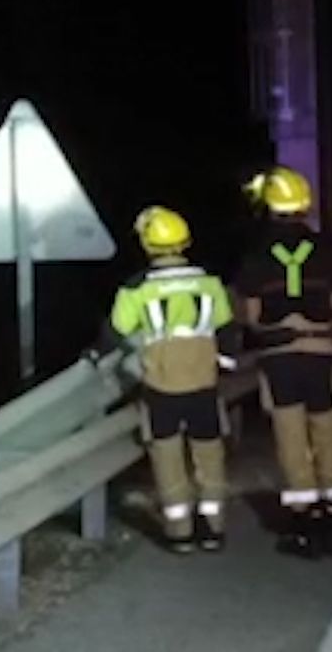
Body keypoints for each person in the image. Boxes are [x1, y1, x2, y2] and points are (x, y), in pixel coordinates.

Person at [234, 166, 332, 557]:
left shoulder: (254, 256)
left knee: (290, 436)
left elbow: (250, 315)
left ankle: (303, 523)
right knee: (329, 432)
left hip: (280, 358)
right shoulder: (330, 251)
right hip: (321, 353)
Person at [105, 206, 238, 553]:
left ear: (148, 245)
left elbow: (116, 332)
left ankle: (179, 530)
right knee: (208, 454)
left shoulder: (137, 288)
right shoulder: (209, 282)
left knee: (168, 456)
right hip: (203, 384)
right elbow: (225, 326)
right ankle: (213, 527)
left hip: (162, 385)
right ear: (184, 242)